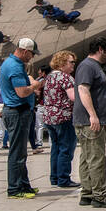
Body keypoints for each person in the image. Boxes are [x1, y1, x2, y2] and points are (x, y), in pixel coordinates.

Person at [72, 37, 106, 208]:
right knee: (97, 158)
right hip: (89, 122)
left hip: (88, 122)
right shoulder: (88, 66)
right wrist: (93, 115)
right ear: (101, 49)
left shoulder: (92, 66)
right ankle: (100, 195)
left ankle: (88, 193)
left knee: (87, 157)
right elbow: (83, 89)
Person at [0, 38, 45, 198]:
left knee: (20, 152)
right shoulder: (15, 67)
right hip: (17, 111)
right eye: (32, 54)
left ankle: (24, 185)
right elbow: (22, 92)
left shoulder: (12, 64)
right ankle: (15, 188)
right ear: (25, 51)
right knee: (17, 153)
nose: (32, 57)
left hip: (17, 111)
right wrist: (35, 86)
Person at [38, 50, 79, 188]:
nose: (74, 64)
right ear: (62, 63)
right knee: (66, 148)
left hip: (49, 116)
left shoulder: (49, 77)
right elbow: (73, 97)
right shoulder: (66, 78)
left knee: (55, 147)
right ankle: (63, 178)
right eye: (71, 62)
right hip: (64, 116)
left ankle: (54, 177)